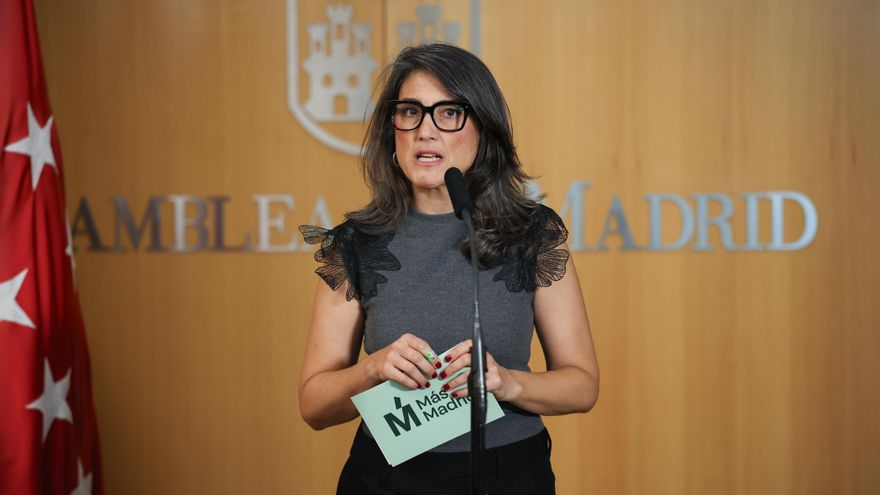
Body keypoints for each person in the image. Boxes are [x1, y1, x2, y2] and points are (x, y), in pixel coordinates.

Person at [298, 43, 599, 495]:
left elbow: (581, 385)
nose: (426, 132)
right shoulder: (355, 244)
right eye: (410, 113)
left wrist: (506, 383)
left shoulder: (533, 234)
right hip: (389, 477)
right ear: (391, 131)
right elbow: (314, 405)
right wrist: (373, 369)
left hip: (509, 475)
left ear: (484, 128)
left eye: (449, 113)